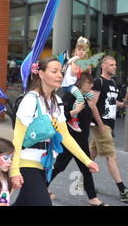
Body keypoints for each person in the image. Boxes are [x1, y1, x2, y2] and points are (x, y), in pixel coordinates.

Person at [10, 58, 98, 206]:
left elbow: (66, 137)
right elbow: (17, 138)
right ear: (41, 74)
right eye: (54, 71)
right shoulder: (31, 100)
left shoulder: (56, 101)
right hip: (27, 163)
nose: (59, 75)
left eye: (61, 72)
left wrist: (87, 160)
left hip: (45, 164)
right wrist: (14, 171)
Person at [47, 73, 107, 206]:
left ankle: (93, 198)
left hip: (82, 140)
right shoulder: (69, 96)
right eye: (88, 83)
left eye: (92, 83)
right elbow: (60, 117)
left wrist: (91, 108)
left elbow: (86, 118)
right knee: (59, 167)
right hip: (70, 141)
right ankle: (42, 187)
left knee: (85, 168)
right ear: (79, 84)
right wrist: (74, 112)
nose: (91, 85)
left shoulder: (86, 98)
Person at [89, 55, 128, 202]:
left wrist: (123, 104)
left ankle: (83, 183)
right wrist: (100, 125)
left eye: (115, 64)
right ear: (103, 66)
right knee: (111, 156)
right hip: (102, 125)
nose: (115, 67)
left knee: (91, 155)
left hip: (108, 125)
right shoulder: (98, 81)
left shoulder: (112, 83)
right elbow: (92, 104)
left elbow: (114, 102)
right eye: (111, 65)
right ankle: (122, 189)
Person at [61, 36, 93, 133]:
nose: (81, 52)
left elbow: (86, 76)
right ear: (75, 50)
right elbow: (74, 72)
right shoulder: (74, 60)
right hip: (68, 85)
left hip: (74, 85)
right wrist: (84, 68)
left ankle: (87, 118)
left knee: (90, 95)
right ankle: (73, 120)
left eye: (83, 50)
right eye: (79, 49)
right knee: (80, 97)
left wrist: (88, 69)